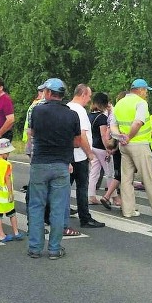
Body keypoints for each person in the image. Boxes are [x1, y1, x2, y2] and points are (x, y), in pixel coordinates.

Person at [27, 78, 80, 260]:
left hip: (40, 164)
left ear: (49, 93)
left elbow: (32, 133)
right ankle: (54, 249)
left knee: (36, 206)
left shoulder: (37, 111)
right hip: (61, 165)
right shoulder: (72, 115)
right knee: (58, 208)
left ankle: (35, 248)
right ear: (62, 95)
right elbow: (77, 142)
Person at [111, 79, 152, 219]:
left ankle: (128, 210)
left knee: (126, 179)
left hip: (124, 146)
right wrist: (129, 137)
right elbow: (138, 122)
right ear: (140, 90)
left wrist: (120, 137)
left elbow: (113, 125)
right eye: (146, 91)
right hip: (139, 144)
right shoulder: (140, 103)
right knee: (149, 178)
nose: (146, 94)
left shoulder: (119, 103)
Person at [67, 84, 105, 229]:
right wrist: (89, 153)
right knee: (82, 188)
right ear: (83, 94)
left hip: (69, 155)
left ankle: (53, 213)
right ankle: (85, 218)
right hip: (80, 155)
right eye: (88, 96)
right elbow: (82, 135)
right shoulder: (80, 111)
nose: (89, 100)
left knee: (65, 187)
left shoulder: (68, 107)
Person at [0, 138, 24, 243]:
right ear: (4, 152)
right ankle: (16, 232)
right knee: (12, 213)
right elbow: (7, 178)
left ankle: (1, 235)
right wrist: (11, 192)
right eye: (8, 153)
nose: (8, 155)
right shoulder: (6, 164)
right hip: (4, 194)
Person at [88, 92, 114, 205]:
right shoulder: (102, 118)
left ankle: (91, 195)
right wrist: (108, 147)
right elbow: (103, 135)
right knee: (110, 172)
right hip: (101, 148)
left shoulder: (90, 115)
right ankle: (111, 196)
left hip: (92, 146)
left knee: (94, 172)